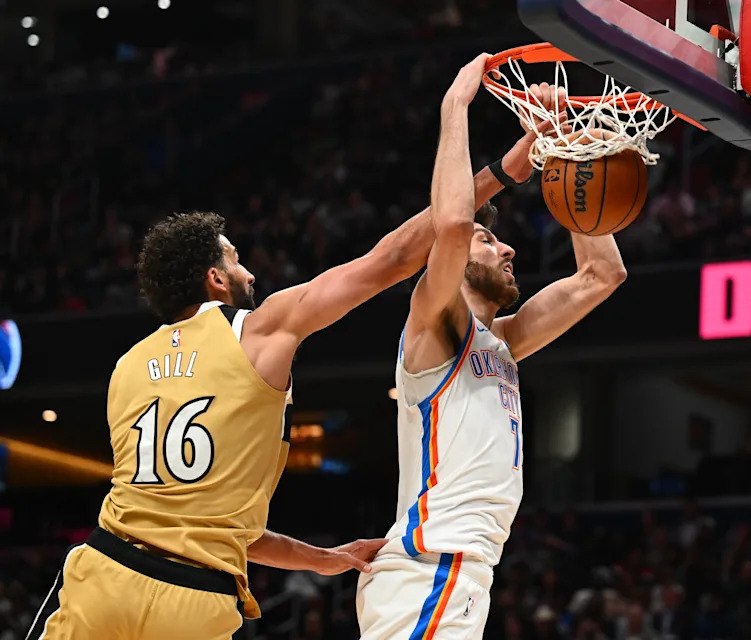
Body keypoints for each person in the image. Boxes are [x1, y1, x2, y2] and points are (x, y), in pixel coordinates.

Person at [26, 92, 547, 640]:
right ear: (215, 280)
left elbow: (197, 517)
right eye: (235, 259)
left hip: (104, 573)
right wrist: (500, 172)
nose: (249, 270)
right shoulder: (257, 330)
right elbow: (390, 260)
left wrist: (323, 559)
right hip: (196, 599)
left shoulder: (126, 368)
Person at [356, 53, 626, 638]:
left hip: (455, 574)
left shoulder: (500, 342)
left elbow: (600, 275)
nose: (505, 249)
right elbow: (451, 225)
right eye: (488, 239)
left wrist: (567, 150)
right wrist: (455, 107)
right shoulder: (435, 326)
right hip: (432, 568)